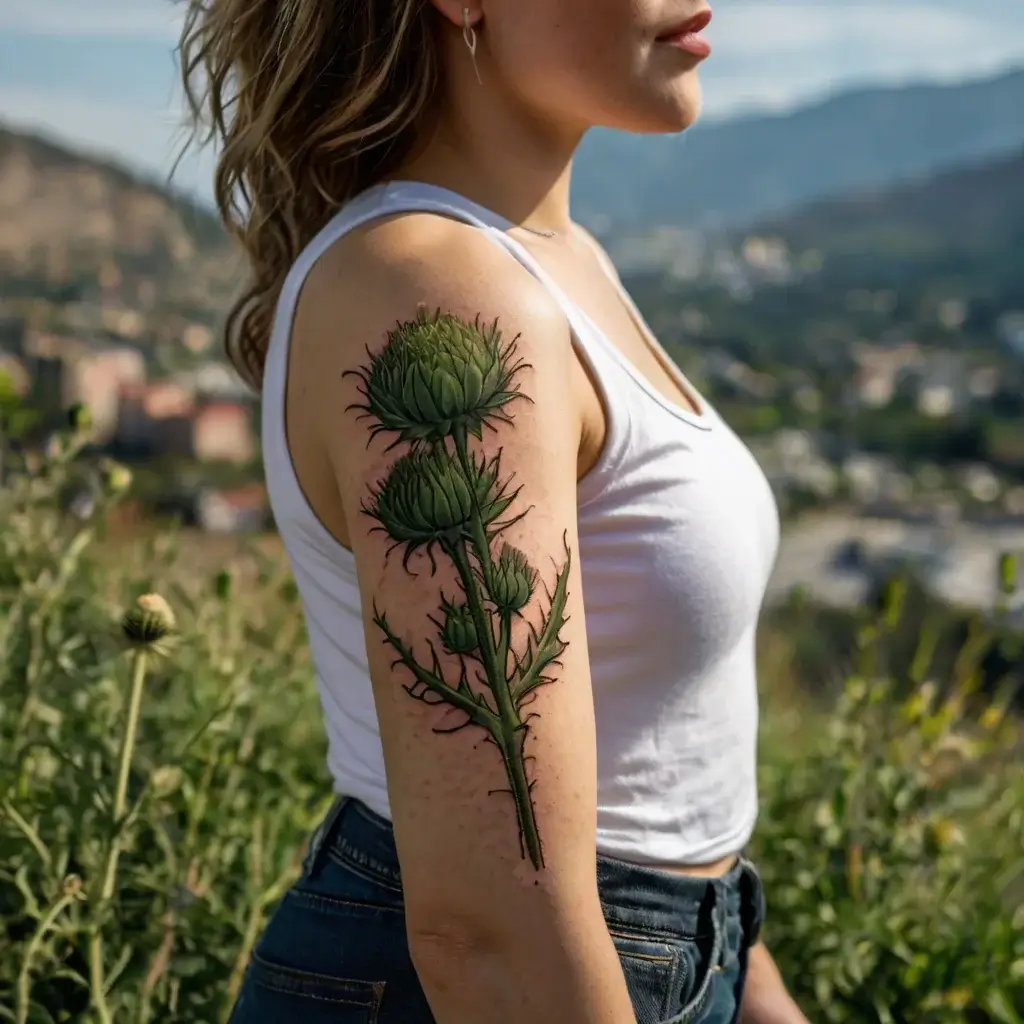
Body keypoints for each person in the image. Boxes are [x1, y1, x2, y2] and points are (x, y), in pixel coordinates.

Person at [179, 1, 809, 1021]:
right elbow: (488, 928)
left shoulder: (554, 261)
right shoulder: (437, 291)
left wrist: (745, 983)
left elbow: (664, 772)